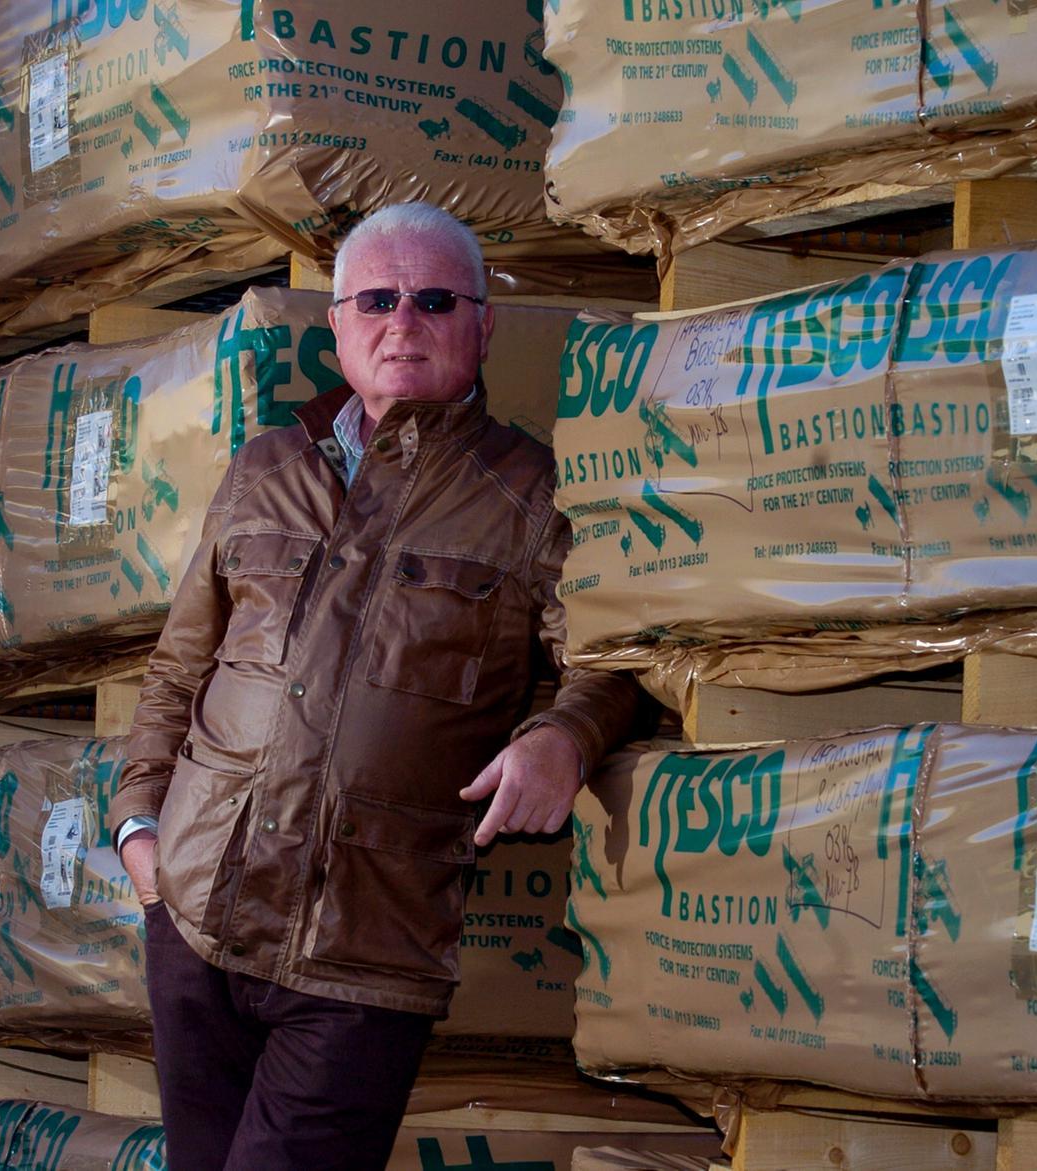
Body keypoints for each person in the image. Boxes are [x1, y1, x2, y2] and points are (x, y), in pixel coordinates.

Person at [108, 201, 642, 1171]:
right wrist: (139, 825)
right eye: (377, 300)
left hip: (365, 947)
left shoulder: (532, 495)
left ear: (481, 327)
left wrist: (563, 737)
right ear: (338, 326)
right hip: (193, 911)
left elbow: (607, 660)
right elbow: (181, 664)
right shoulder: (265, 467)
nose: (404, 321)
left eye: (434, 300)